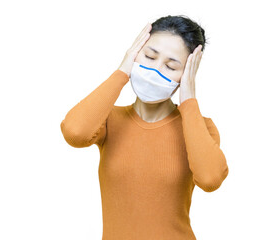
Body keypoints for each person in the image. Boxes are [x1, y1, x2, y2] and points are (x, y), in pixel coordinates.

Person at [60, 15, 229, 240]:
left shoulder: (200, 127)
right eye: (149, 56)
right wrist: (122, 71)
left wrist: (189, 99)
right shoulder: (109, 120)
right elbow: (74, 133)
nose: (155, 70)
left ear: (186, 74)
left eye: (171, 66)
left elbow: (210, 179)